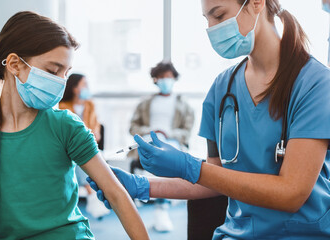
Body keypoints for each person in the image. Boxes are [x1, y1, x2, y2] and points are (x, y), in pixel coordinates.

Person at [88, 0, 330, 239]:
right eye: (208, 20)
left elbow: (291, 193)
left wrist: (189, 166)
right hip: (236, 234)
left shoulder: (315, 84)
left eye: (220, 15)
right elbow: (216, 178)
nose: (213, 29)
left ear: (256, 3)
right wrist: (141, 186)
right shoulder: (222, 88)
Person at [0, 11, 149, 240]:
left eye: (65, 74)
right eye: (53, 71)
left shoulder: (65, 126)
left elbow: (116, 193)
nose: (60, 82)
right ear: (15, 64)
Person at [128, 61, 194, 232]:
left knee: (165, 156)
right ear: (155, 79)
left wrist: (167, 133)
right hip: (147, 139)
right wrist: (151, 131)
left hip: (170, 142)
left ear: (174, 79)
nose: (166, 80)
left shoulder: (183, 105)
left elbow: (186, 132)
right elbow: (133, 127)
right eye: (162, 77)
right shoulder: (145, 103)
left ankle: (161, 207)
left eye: (169, 77)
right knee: (153, 153)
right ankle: (157, 204)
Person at [59, 73, 110, 219]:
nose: (88, 88)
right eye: (84, 85)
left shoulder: (90, 105)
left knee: (84, 157)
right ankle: (92, 195)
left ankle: (92, 196)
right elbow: (66, 134)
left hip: (89, 146)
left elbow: (96, 132)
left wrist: (89, 135)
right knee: (78, 159)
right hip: (70, 149)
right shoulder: (63, 107)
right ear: (75, 89)